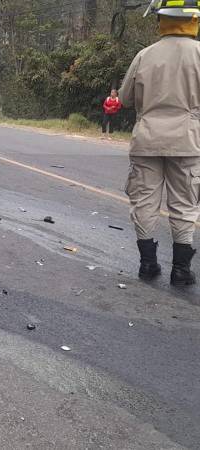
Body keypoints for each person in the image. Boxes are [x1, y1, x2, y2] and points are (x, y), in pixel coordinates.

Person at [120, 0, 200, 286]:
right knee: (184, 205)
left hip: (147, 140)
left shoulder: (145, 55)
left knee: (144, 201)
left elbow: (126, 98)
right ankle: (181, 270)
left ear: (161, 20)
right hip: (188, 141)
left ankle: (148, 264)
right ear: (194, 20)